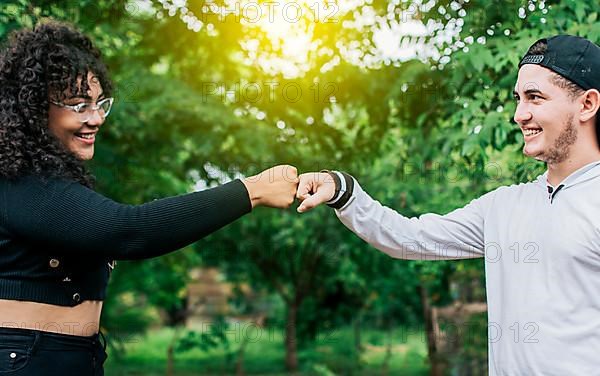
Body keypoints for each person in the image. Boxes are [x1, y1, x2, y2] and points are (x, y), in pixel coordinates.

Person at [0, 20, 298, 375]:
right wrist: (252, 190)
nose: (96, 118)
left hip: (73, 354)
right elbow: (129, 230)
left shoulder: (56, 179)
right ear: (34, 108)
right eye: (79, 105)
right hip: (27, 357)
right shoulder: (19, 182)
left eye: (100, 103)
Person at [296, 35, 600, 375]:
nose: (519, 114)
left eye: (535, 98)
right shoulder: (503, 207)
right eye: (518, 99)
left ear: (586, 104)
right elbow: (409, 238)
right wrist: (342, 190)